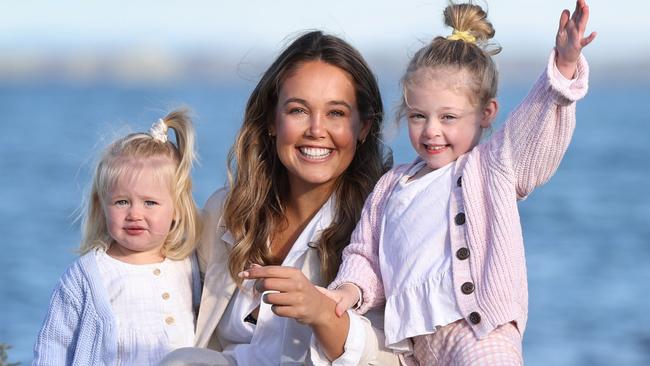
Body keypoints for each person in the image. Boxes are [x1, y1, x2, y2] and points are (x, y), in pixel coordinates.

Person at [320, 1, 596, 364]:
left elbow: (535, 128)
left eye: (448, 117)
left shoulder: (492, 165)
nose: (432, 130)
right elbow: (365, 254)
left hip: (480, 332)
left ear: (486, 114)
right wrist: (349, 290)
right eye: (419, 116)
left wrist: (563, 68)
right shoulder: (391, 186)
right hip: (418, 346)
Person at [160, 31, 400, 365]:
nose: (316, 129)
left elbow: (402, 358)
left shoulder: (386, 225)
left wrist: (323, 313)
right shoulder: (224, 213)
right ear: (272, 120)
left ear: (363, 127)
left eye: (336, 113)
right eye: (299, 110)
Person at [33, 110, 202, 365]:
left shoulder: (189, 267)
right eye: (122, 202)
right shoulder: (87, 275)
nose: (135, 213)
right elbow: (53, 347)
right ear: (102, 205)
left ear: (177, 209)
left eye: (150, 203)